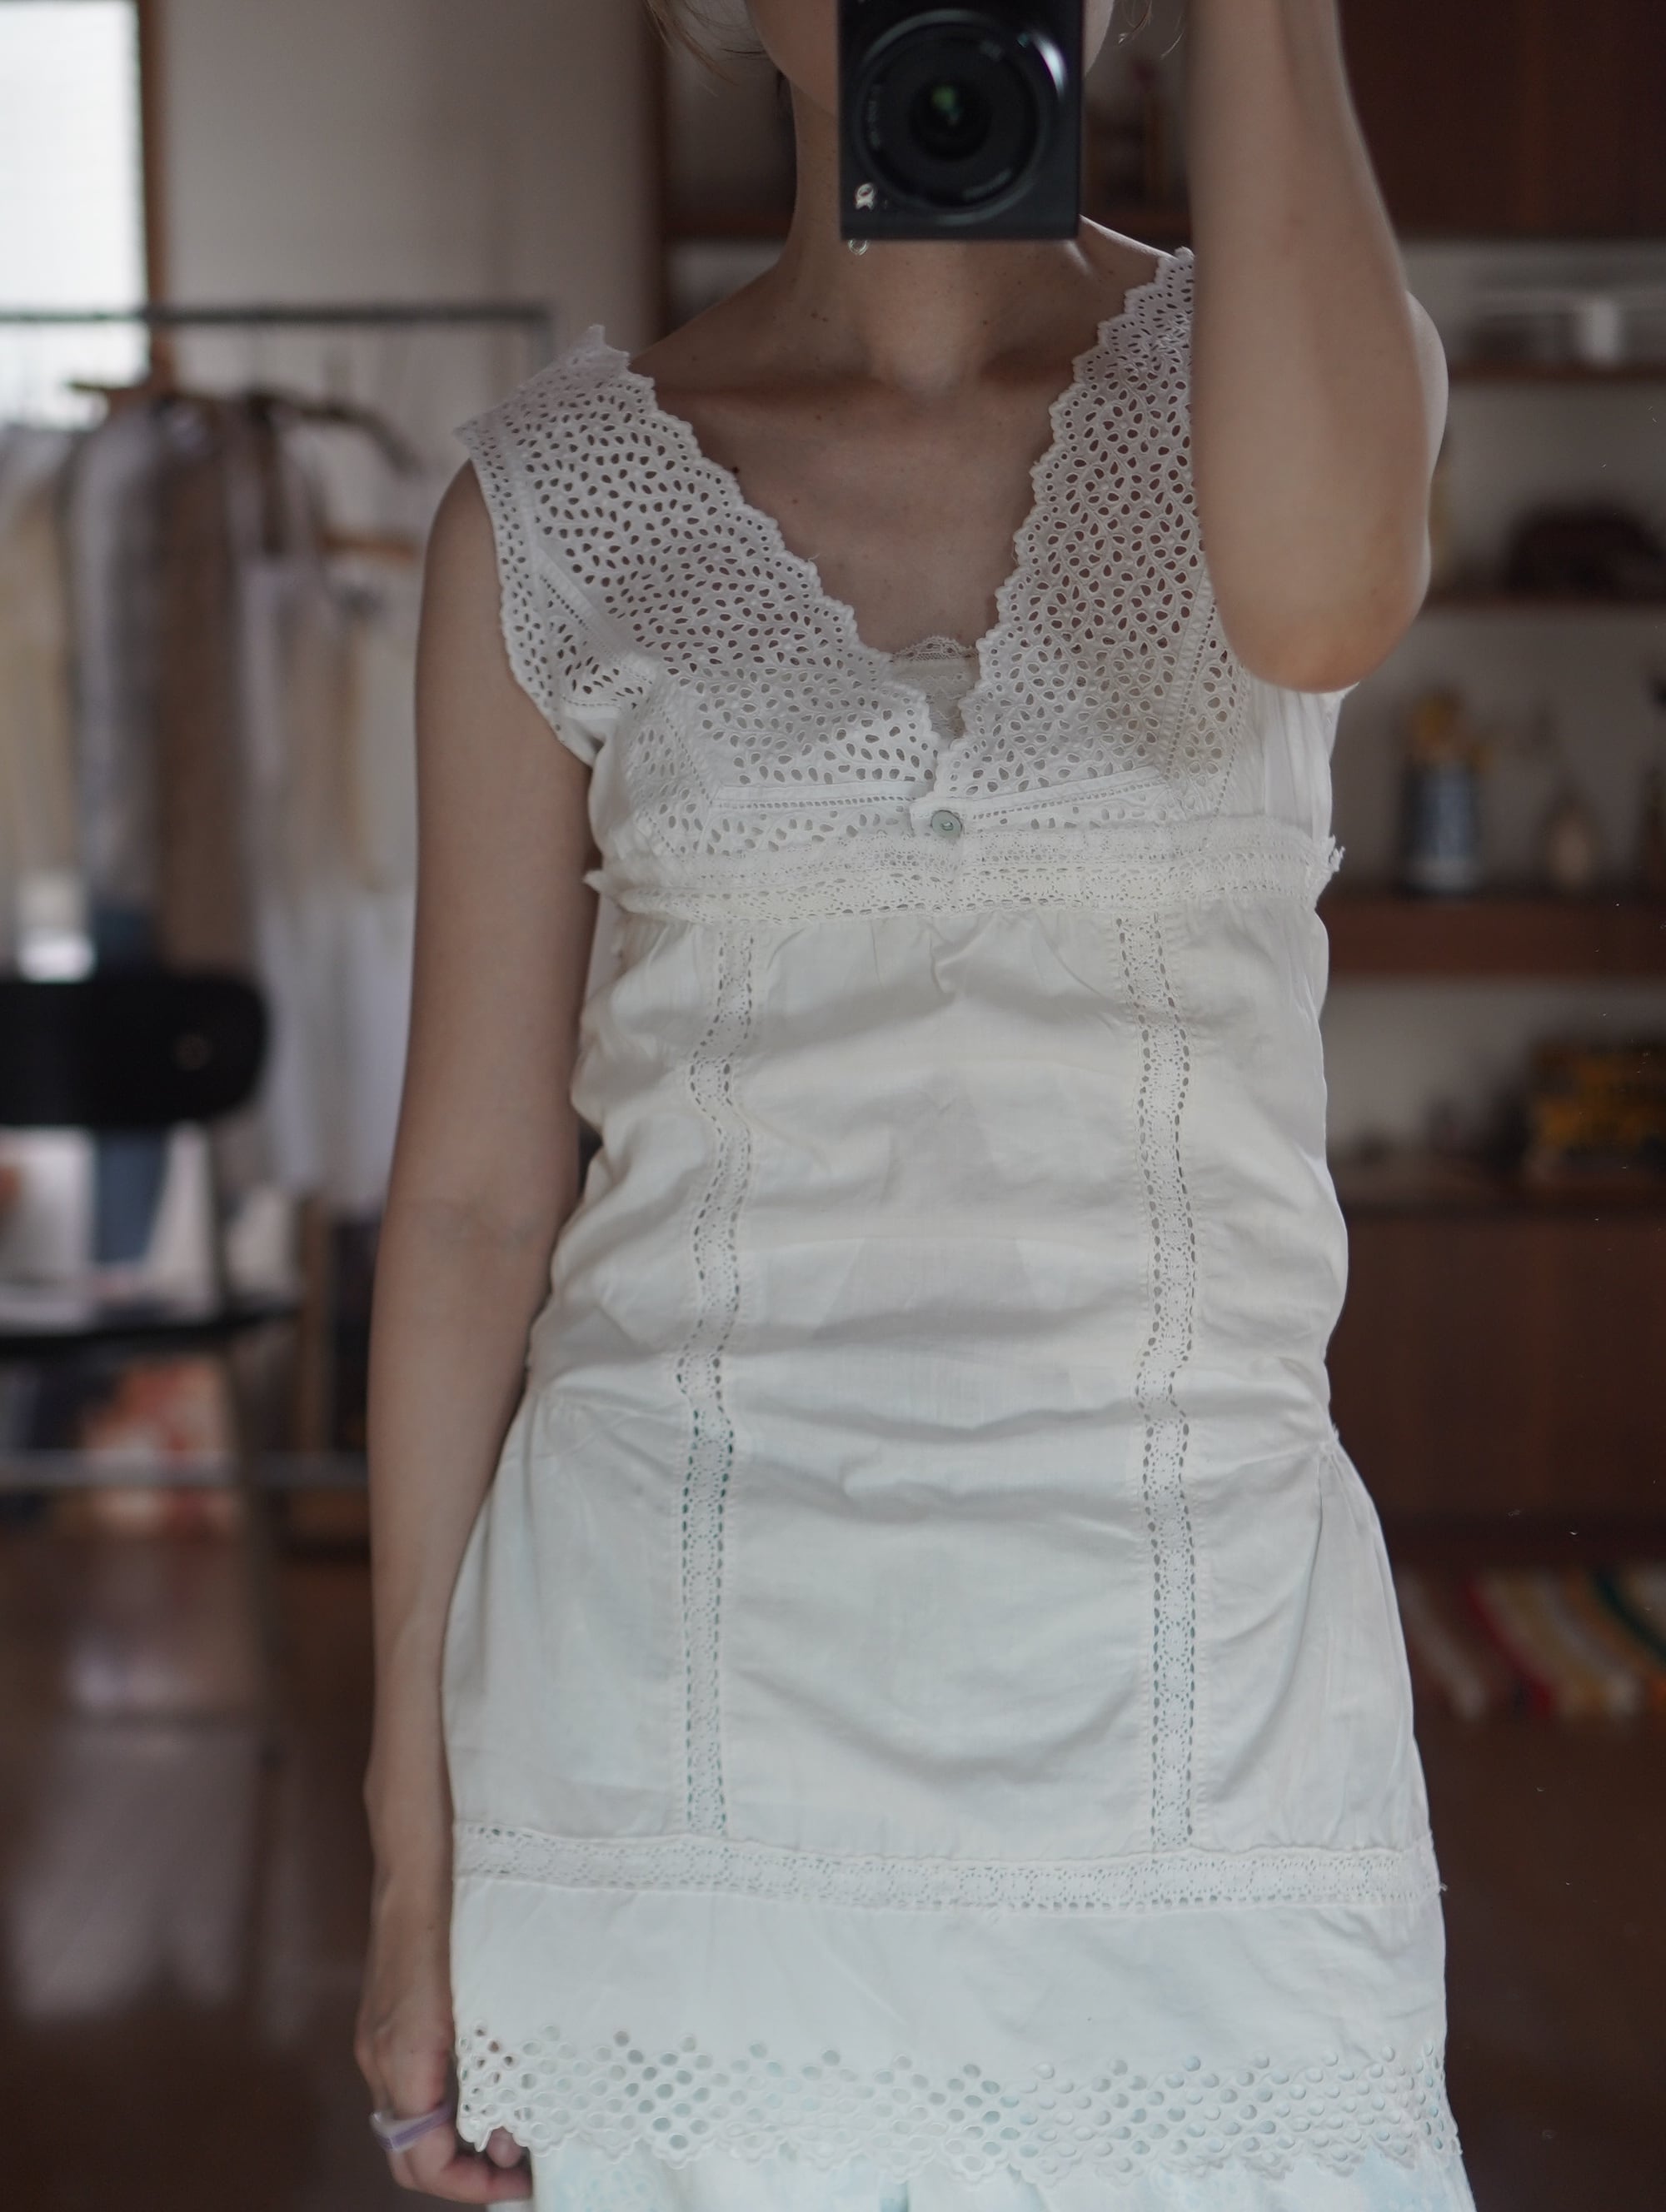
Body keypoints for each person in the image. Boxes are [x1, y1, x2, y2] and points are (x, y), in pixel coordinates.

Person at [356, 2, 1470, 2206]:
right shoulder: (546, 510)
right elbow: (475, 1206)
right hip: (668, 1736)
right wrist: (412, 1843)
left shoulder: (1285, 375)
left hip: (1205, 1726)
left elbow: (1327, 599)